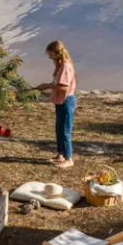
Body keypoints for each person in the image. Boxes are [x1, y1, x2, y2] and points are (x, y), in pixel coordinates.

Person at [36, 40, 77, 168]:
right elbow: (58, 84)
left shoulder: (65, 66)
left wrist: (47, 85)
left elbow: (64, 87)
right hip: (60, 101)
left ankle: (69, 158)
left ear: (57, 53)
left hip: (66, 101)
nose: (50, 57)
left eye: (51, 55)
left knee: (65, 131)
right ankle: (60, 154)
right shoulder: (60, 66)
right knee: (59, 129)